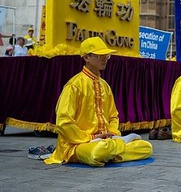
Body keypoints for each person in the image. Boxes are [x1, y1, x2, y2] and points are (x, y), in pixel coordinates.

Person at [45, 37, 152, 166]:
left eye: (106, 55)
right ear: (86, 58)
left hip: (105, 140)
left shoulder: (105, 86)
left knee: (146, 147)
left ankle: (112, 148)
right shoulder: (74, 85)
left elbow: (113, 116)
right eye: (100, 55)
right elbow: (64, 121)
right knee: (97, 152)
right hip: (78, 144)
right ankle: (117, 146)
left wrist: (111, 133)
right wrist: (90, 138)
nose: (105, 58)